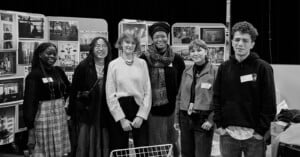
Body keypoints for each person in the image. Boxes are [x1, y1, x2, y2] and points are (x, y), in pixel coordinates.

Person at [213, 21, 277, 157]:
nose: (240, 44)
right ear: (232, 41)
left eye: (245, 40)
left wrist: (260, 132)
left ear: (252, 44)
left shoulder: (263, 68)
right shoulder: (224, 68)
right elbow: (216, 97)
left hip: (254, 137)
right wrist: (218, 125)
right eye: (237, 39)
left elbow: (269, 102)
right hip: (228, 135)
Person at [140, 22, 185, 156]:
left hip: (173, 110)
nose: (160, 39)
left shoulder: (177, 59)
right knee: (156, 145)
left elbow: (182, 85)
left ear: (168, 37)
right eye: (156, 37)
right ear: (152, 39)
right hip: (153, 110)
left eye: (163, 36)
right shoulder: (144, 58)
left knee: (173, 142)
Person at [23, 42, 71, 157]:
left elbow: (69, 88)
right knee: (43, 149)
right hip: (43, 116)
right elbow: (29, 103)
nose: (52, 57)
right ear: (40, 55)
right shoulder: (34, 75)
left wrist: (64, 104)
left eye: (54, 54)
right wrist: (30, 128)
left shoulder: (59, 71)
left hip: (59, 115)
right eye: (48, 53)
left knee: (59, 151)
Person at [106, 33, 151, 150]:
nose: (129, 45)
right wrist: (121, 119)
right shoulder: (113, 65)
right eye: (127, 42)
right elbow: (110, 94)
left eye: (132, 43)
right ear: (121, 44)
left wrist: (141, 116)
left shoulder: (142, 63)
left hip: (139, 107)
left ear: (136, 46)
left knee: (142, 149)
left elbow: (148, 91)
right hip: (120, 108)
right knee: (119, 149)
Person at [69, 37, 112, 157]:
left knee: (103, 137)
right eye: (97, 46)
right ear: (92, 48)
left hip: (105, 110)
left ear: (108, 48)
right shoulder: (83, 66)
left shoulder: (112, 66)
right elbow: (74, 90)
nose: (101, 49)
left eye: (104, 46)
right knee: (85, 139)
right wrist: (72, 112)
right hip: (87, 110)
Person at [175, 39, 217, 157]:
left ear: (206, 52)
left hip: (203, 119)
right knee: (186, 153)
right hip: (185, 117)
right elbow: (179, 96)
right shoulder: (186, 71)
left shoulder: (214, 71)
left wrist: (211, 119)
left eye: (199, 50)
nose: (195, 53)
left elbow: (220, 99)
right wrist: (176, 119)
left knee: (201, 154)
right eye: (192, 51)